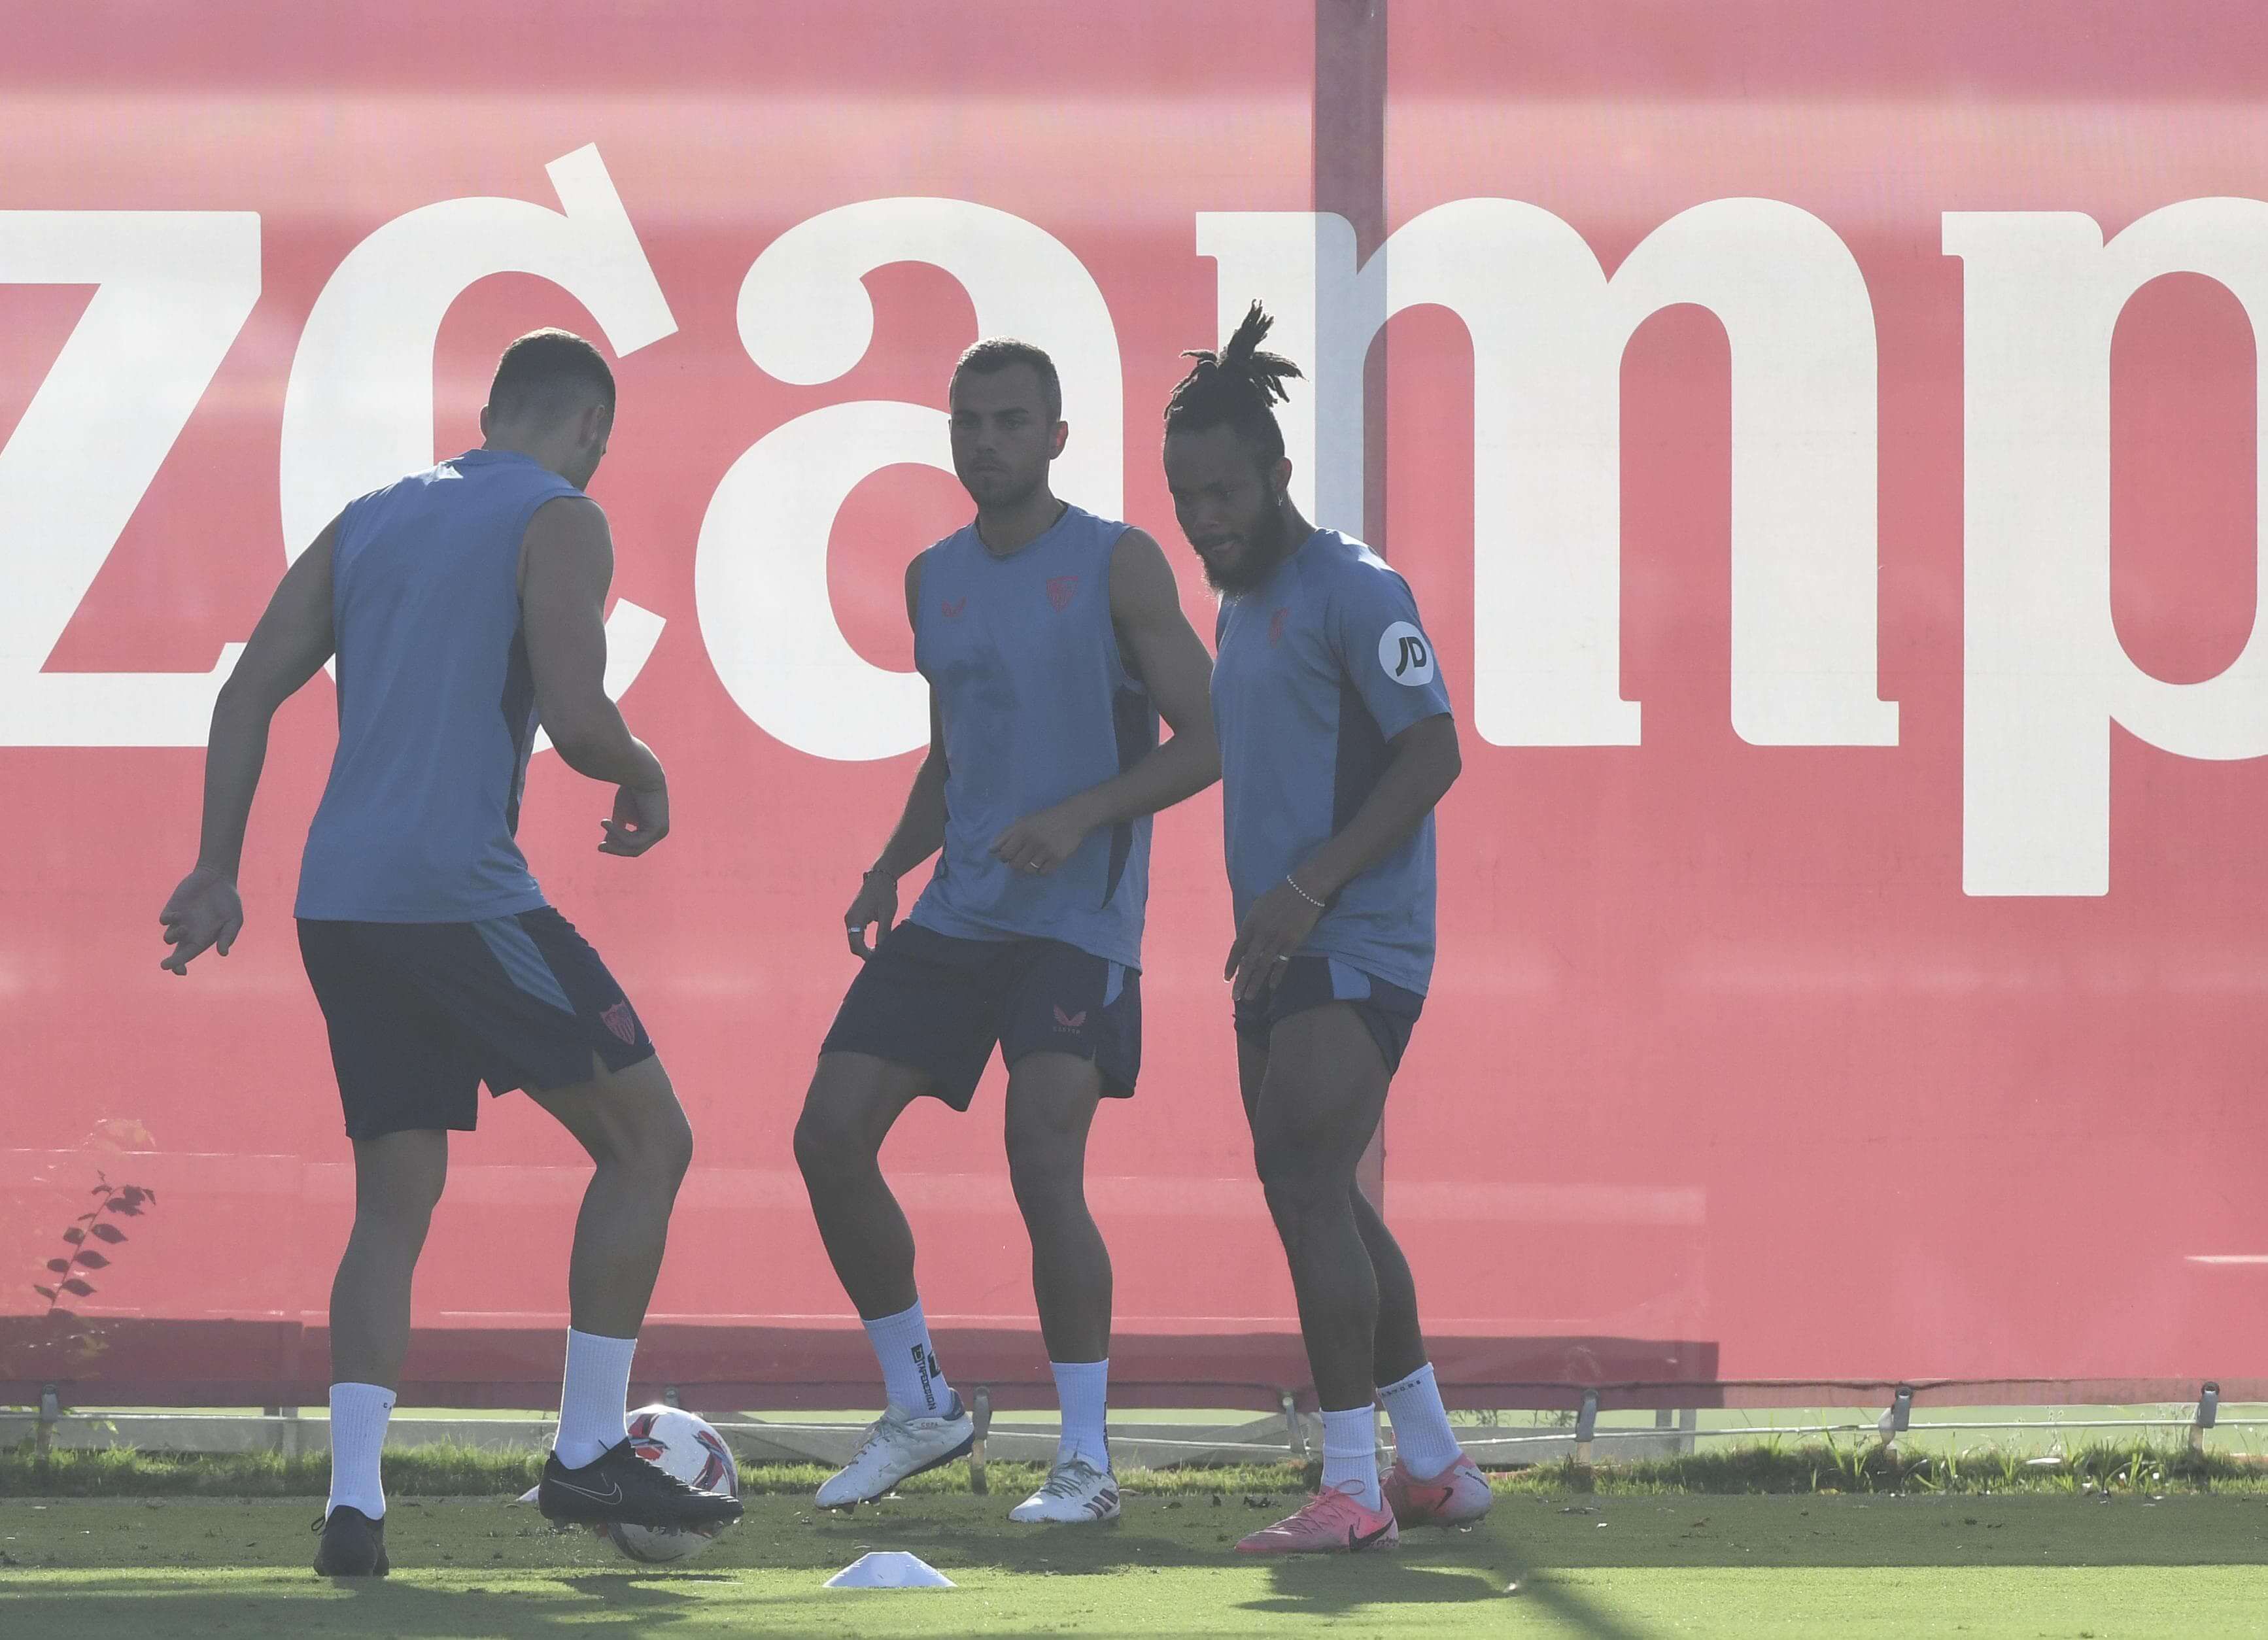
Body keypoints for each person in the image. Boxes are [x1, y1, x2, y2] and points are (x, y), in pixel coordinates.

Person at [156, 330, 739, 1578]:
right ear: (593, 431)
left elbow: (246, 690)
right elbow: (580, 721)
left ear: (488, 413)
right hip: (454, 897)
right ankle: (588, 1445)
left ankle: (354, 1507)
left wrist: (217, 868)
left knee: (392, 1206)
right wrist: (646, 771)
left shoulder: (371, 513)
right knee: (653, 1141)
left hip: (340, 906)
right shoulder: (565, 517)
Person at [794, 338, 1220, 1524]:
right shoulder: (935, 576)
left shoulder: (1118, 564)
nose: (986, 440)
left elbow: (1215, 733)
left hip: (1075, 925)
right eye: (968, 419)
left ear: (1057, 437)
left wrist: (1083, 814)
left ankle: (1084, 1459)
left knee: (1043, 1159)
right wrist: (891, 864)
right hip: (954, 914)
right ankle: (920, 1399)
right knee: (828, 1137)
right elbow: (954, 753)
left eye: (1011, 420)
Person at [1161, 304, 1490, 1554]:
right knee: (1324, 1199)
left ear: (1281, 473)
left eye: (1226, 490)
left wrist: (1308, 894)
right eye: (1187, 495)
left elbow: (1433, 752)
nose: (1205, 517)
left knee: (1308, 1186)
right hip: (1286, 951)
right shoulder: (1242, 605)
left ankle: (1352, 1489)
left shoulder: (1355, 587)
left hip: (1355, 946)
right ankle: (1436, 1467)